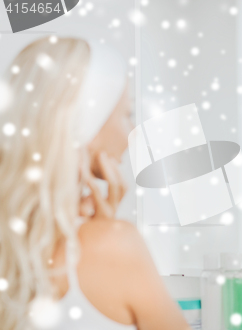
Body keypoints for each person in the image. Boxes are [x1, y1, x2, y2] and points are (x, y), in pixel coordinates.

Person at [0, 36, 190, 329]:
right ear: (86, 124)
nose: (132, 133)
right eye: (126, 115)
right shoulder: (114, 245)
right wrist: (107, 233)